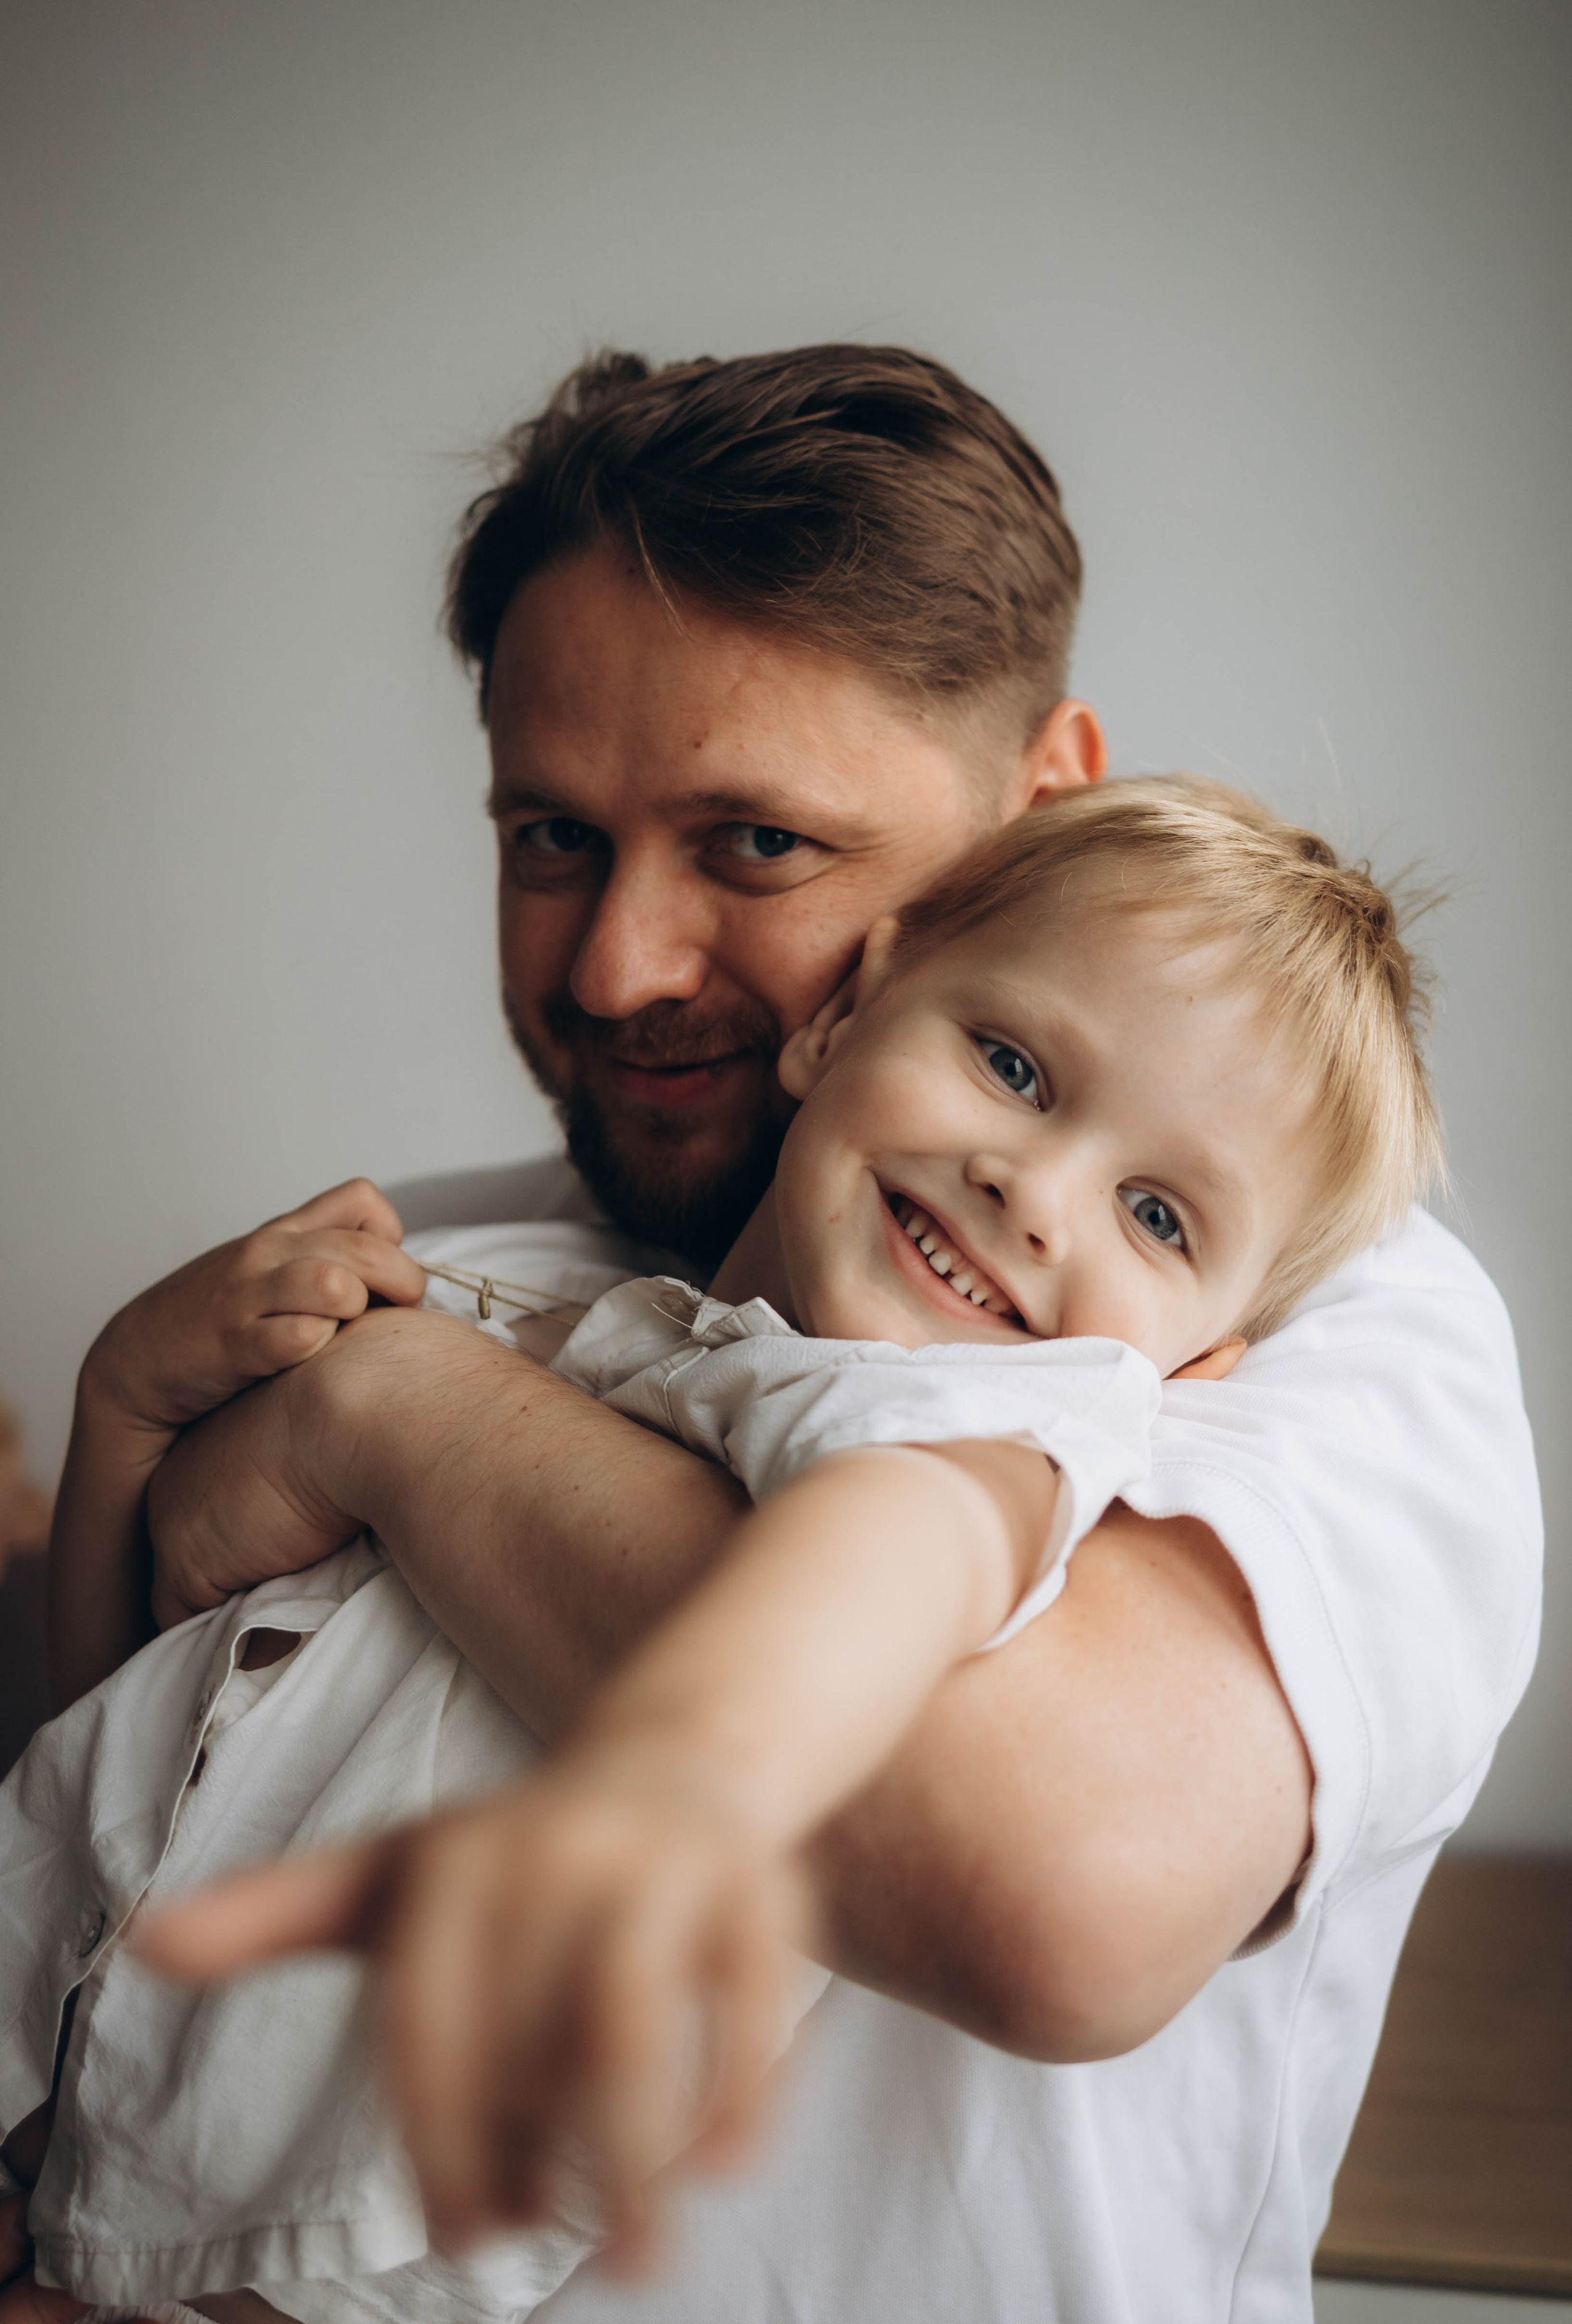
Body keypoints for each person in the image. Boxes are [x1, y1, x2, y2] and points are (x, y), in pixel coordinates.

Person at [11, 348, 1544, 2324]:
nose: (616, 969)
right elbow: (147, 1759)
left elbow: (1063, 1897)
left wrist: (394, 1415)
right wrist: (125, 1407)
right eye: (553, 835)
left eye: (758, 844)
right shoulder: (484, 1258)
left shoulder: (1289, 1313)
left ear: (1032, 813)